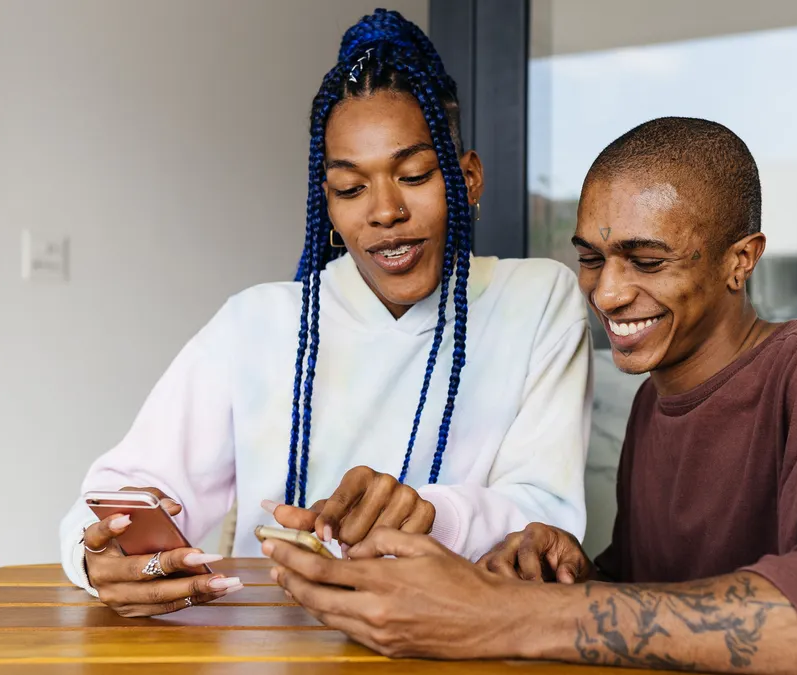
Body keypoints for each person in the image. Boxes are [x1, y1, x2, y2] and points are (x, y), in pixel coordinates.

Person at [264, 117, 797, 674]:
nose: (609, 292)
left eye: (645, 259)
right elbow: (682, 593)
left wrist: (515, 614)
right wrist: (575, 569)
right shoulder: (656, 400)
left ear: (739, 261)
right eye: (591, 258)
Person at [59, 9, 591, 618]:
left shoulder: (539, 299)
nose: (385, 210)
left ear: (467, 179)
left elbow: (550, 516)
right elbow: (118, 494)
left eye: (414, 174)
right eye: (350, 188)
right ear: (327, 207)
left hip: (459, 642)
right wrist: (100, 554)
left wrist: (430, 512)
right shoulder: (256, 323)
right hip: (274, 647)